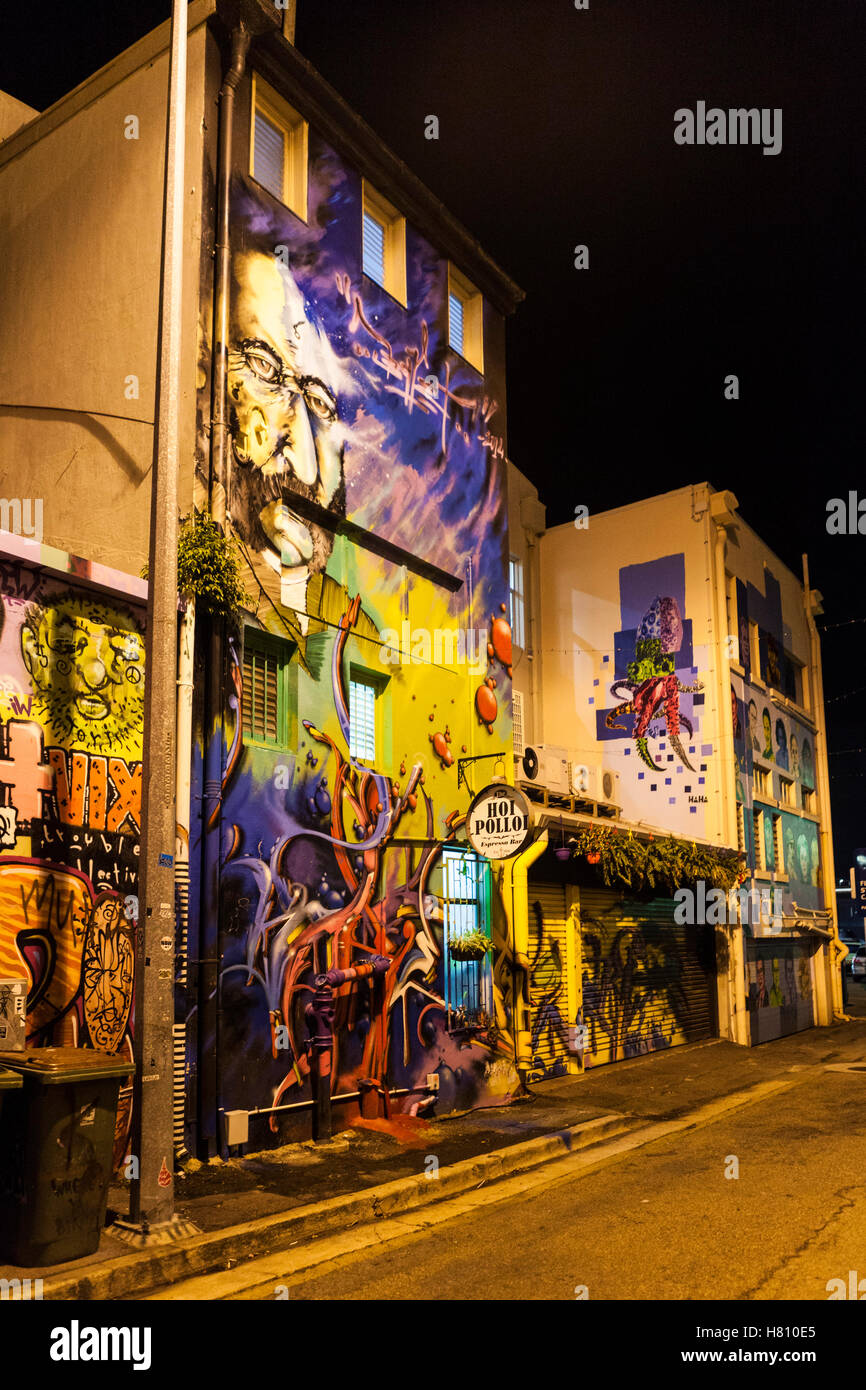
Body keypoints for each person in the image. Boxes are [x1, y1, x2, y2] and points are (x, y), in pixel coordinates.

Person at [225, 249, 379, 670]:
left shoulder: (359, 631)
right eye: (265, 368)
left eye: (321, 406)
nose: (304, 458)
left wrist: (294, 579)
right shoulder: (215, 567)